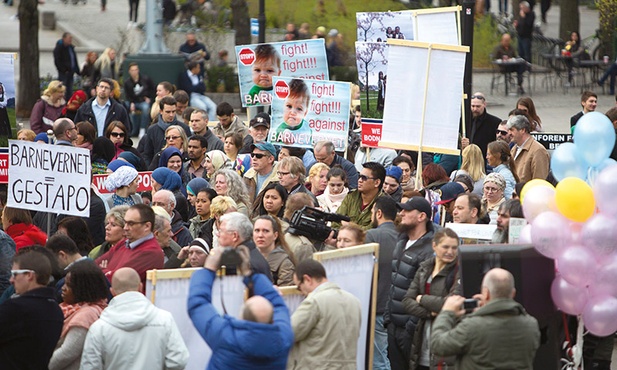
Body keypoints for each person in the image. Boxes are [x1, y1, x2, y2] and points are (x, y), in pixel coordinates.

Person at [187, 244, 293, 369]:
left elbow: (198, 303)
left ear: (241, 316)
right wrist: (250, 274)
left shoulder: (227, 338)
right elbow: (277, 302)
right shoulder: (284, 337)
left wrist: (209, 269)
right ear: (273, 318)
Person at [430, 268, 540, 370]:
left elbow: (438, 345)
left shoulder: (472, 326)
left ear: (486, 293)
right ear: (513, 293)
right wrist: (485, 310)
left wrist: (447, 313)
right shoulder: (531, 325)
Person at [81, 267, 189, 369]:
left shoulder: (98, 328)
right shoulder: (164, 320)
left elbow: (89, 366)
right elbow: (178, 361)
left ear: (112, 292)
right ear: (140, 287)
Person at [385, 196, 437, 370]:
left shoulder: (430, 249)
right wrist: (388, 319)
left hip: (411, 330)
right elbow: (394, 282)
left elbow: (427, 291)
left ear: (422, 216)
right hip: (394, 326)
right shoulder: (401, 241)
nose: (401, 213)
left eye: (407, 210)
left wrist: (411, 326)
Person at [402, 228, 461, 370]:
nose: (450, 252)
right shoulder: (425, 268)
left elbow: (450, 304)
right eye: (445, 247)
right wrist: (429, 313)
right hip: (422, 341)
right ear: (434, 246)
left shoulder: (459, 271)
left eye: (454, 248)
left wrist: (422, 299)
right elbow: (407, 301)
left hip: (446, 342)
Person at [289, 259, 362, 369]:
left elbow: (289, 333)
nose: (301, 292)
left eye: (299, 287)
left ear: (307, 279)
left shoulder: (313, 302)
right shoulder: (354, 301)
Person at [0, 251, 64, 369]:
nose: (11, 280)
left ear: (30, 275)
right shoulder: (56, 310)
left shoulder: (15, 308)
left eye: (15, 274)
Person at [48, 260, 109, 370]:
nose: (63, 288)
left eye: (69, 285)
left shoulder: (86, 315)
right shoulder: (72, 308)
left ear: (84, 289)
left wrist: (40, 365)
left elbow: (66, 353)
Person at [365, 196, 398, 370]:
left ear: (378, 213)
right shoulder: (404, 236)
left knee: (378, 360)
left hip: (378, 307)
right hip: (398, 308)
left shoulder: (373, 235)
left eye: (371, 211)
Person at [95, 204, 164, 287]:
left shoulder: (151, 252)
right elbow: (95, 266)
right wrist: (107, 272)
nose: (125, 228)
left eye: (131, 223)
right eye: (125, 223)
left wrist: (103, 270)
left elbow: (119, 281)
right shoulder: (124, 243)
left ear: (147, 226)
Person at [217, 212, 273, 280]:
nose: (218, 234)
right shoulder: (249, 254)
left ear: (234, 236)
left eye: (221, 231)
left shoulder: (244, 263)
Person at [142, 96, 191, 165]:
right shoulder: (152, 130)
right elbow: (147, 154)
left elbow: (188, 151)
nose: (171, 115)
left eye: (173, 111)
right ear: (161, 111)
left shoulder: (184, 128)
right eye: (168, 112)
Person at [336, 162, 386, 230]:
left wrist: (350, 226)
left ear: (377, 182)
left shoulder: (384, 204)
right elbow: (335, 221)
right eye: (359, 176)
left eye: (364, 178)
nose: (359, 180)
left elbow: (373, 230)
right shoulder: (351, 196)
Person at [253, 215, 296, 286]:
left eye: (266, 231)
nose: (260, 235)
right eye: (257, 230)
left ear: (275, 235)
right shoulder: (247, 257)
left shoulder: (284, 264)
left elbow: (286, 293)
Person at [507, 115, 549, 183]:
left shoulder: (538, 151)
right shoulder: (513, 149)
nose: (509, 133)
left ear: (522, 130)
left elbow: (540, 181)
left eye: (511, 130)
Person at [461, 93, 502, 160]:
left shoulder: (494, 122)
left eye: (478, 106)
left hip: (485, 158)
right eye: (473, 106)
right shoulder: (464, 120)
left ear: (484, 105)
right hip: (467, 157)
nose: (475, 109)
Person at [272, 79, 312, 146]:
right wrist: (285, 134)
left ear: (305, 113)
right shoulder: (281, 128)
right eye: (289, 106)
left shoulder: (306, 127)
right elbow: (279, 133)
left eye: (299, 109)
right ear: (283, 106)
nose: (292, 112)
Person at [244, 141, 279, 212]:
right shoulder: (247, 176)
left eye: (259, 156)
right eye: (252, 155)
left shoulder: (279, 180)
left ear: (270, 159)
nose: (254, 158)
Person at [123, 63, 155, 138]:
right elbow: (127, 95)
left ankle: (142, 128)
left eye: (136, 70)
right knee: (125, 106)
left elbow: (152, 89)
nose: (134, 72)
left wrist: (148, 97)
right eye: (132, 70)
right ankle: (131, 129)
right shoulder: (127, 82)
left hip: (143, 101)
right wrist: (132, 103)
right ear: (129, 71)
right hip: (133, 101)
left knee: (145, 108)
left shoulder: (145, 79)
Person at [53, 33, 79, 100]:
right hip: (64, 73)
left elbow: (74, 59)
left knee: (70, 90)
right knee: (63, 89)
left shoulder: (71, 48)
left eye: (71, 38)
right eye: (69, 38)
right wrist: (64, 70)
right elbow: (57, 61)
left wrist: (77, 70)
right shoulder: (59, 48)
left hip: (71, 72)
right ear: (64, 38)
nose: (70, 40)